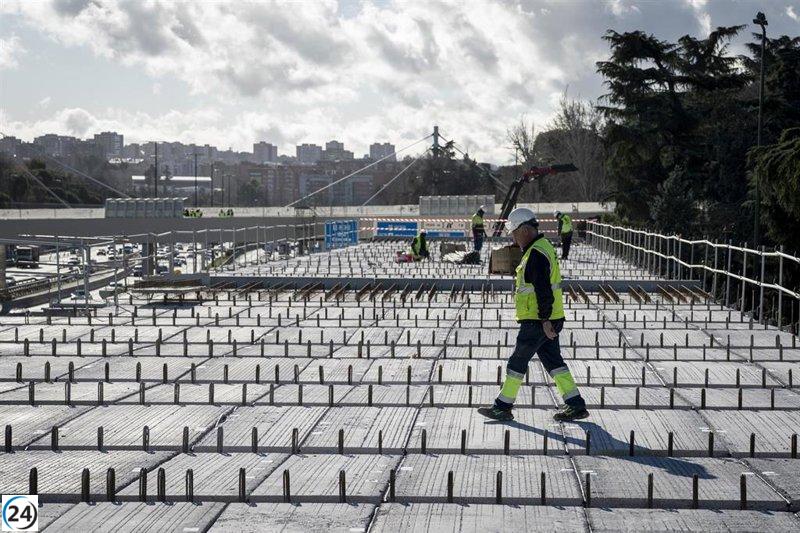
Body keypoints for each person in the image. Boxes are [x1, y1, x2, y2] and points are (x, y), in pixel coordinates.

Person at [478, 207, 588, 422]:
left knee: (518, 361)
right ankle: (575, 404)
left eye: (515, 231)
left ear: (526, 229)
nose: (513, 236)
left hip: (538, 320)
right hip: (548, 318)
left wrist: (545, 319)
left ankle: (502, 406)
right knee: (554, 362)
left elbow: (543, 288)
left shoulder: (536, 253)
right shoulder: (541, 248)